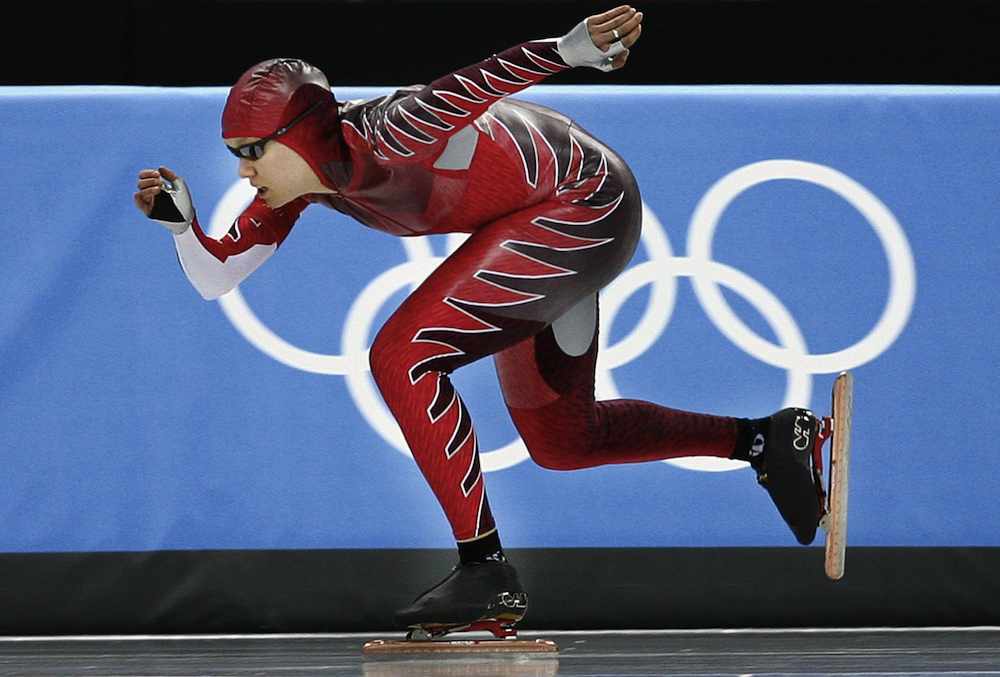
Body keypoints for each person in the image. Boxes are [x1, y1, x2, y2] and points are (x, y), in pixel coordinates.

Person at [134, 5, 825, 637]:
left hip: (583, 199)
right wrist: (182, 226)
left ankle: (484, 568)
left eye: (253, 150)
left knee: (401, 354)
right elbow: (216, 274)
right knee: (562, 438)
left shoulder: (388, 128)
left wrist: (569, 49)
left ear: (305, 134)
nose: (244, 169)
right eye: (235, 154)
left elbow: (478, 82)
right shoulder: (300, 189)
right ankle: (765, 441)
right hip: (529, 218)